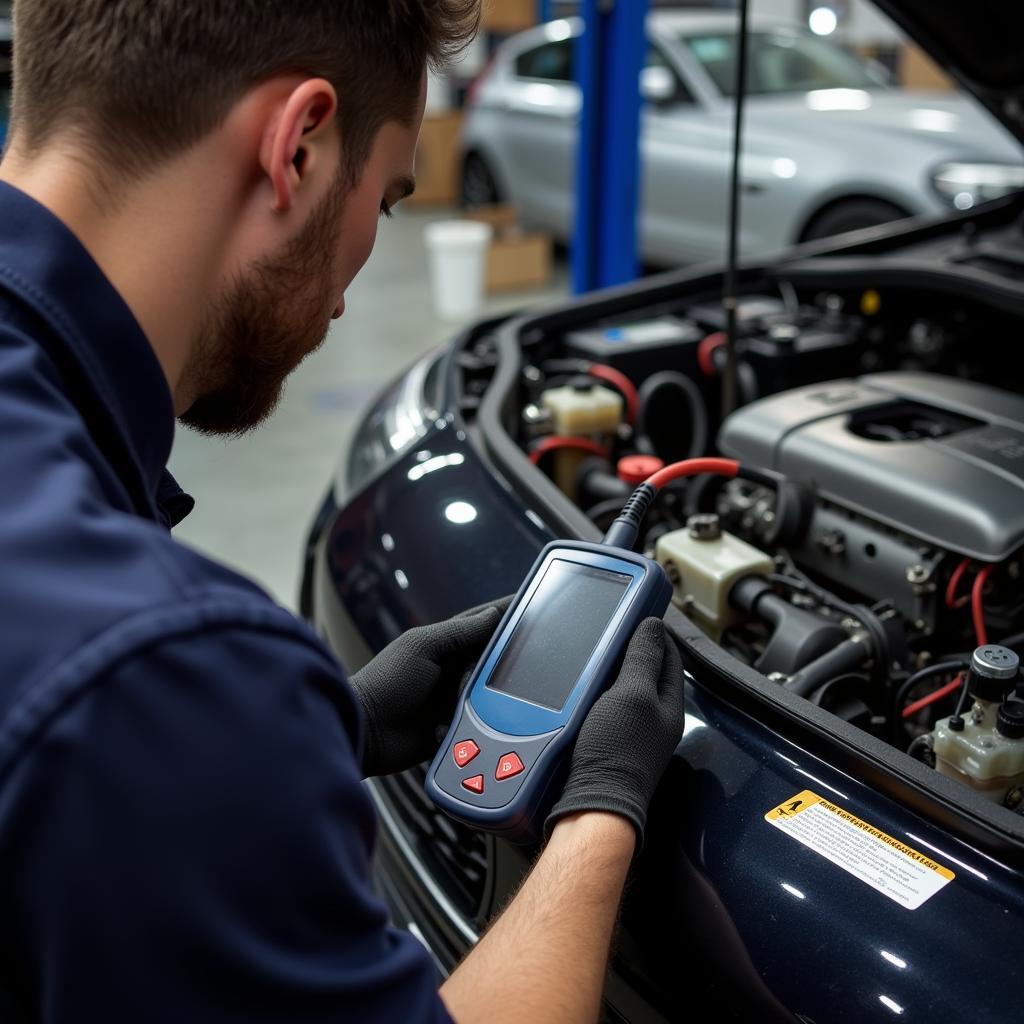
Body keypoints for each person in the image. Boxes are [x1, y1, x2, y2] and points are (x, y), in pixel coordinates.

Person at [0, 2, 685, 1022]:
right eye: (392, 200)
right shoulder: (156, 669)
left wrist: (324, 729)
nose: (354, 285)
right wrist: (603, 807)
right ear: (300, 145)